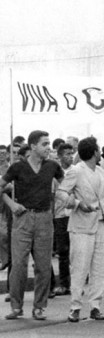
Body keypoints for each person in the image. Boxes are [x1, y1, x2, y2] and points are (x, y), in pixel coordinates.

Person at [1, 131, 65, 321]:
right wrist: (12, 204)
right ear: (33, 146)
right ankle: (16, 306)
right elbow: (1, 187)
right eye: (45, 144)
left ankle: (39, 307)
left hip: (45, 218)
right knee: (19, 265)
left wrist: (70, 200)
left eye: (49, 144)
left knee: (44, 266)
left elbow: (65, 186)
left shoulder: (53, 166)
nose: (48, 148)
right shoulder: (17, 167)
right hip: (23, 219)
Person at [57, 137, 104, 322]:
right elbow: (61, 193)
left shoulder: (100, 171)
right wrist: (77, 203)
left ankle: (95, 306)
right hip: (81, 226)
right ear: (94, 152)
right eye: (98, 150)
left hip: (100, 224)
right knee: (80, 267)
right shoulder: (76, 171)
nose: (100, 153)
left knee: (100, 267)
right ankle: (75, 307)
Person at [50, 143, 75, 297]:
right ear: (59, 156)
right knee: (63, 251)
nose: (70, 156)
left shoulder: (76, 171)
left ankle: (76, 283)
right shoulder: (54, 174)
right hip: (60, 216)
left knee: (76, 251)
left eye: (71, 153)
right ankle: (65, 284)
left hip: (74, 214)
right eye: (66, 154)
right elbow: (52, 196)